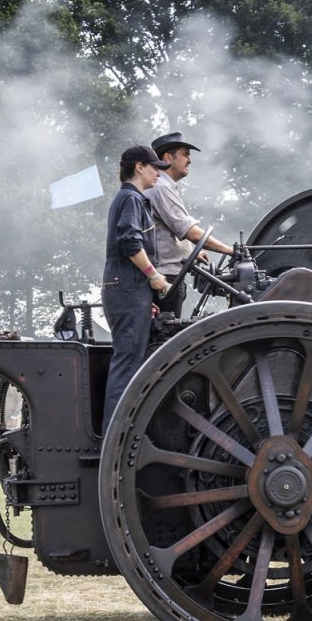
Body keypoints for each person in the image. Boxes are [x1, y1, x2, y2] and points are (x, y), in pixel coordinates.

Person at [102, 144, 172, 431]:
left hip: (129, 289)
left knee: (130, 360)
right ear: (139, 167)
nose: (158, 173)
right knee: (128, 363)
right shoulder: (131, 199)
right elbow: (130, 242)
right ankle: (114, 437)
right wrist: (153, 276)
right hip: (128, 288)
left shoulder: (129, 199)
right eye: (154, 167)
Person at [145, 132, 234, 317]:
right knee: (164, 339)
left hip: (169, 276)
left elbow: (168, 230)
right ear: (168, 157)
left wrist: (190, 253)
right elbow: (189, 231)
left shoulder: (165, 187)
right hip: (164, 278)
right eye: (185, 154)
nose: (190, 160)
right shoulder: (161, 188)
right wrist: (230, 250)